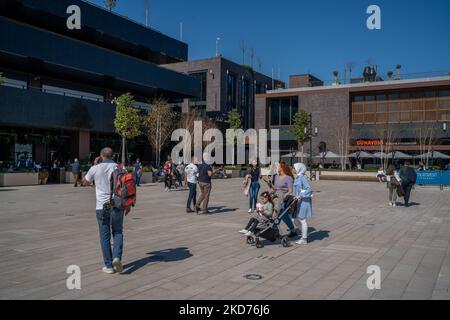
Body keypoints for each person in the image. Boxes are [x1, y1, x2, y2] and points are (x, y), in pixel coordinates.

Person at [83, 147, 130, 274]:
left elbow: (85, 182)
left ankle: (108, 266)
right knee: (118, 232)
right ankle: (117, 257)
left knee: (104, 236)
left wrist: (94, 165)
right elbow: (127, 187)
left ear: (101, 156)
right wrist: (128, 205)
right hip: (118, 205)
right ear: (113, 156)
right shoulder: (120, 168)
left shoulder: (95, 168)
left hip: (101, 206)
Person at [272, 162, 297, 237]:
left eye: (278, 166)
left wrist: (284, 195)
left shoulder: (288, 178)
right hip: (276, 198)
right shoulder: (276, 176)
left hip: (283, 199)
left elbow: (290, 190)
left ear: (282, 168)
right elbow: (276, 188)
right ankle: (292, 230)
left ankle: (274, 229)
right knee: (283, 215)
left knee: (278, 214)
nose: (277, 168)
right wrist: (271, 186)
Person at [292, 163, 313, 245]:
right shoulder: (297, 178)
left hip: (303, 202)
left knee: (302, 219)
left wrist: (300, 195)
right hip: (297, 202)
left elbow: (308, 189)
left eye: (294, 168)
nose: (293, 169)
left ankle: (304, 239)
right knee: (294, 219)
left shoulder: (302, 178)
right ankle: (304, 233)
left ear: (298, 169)